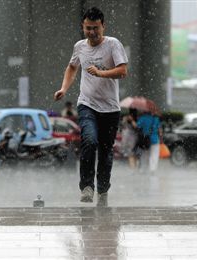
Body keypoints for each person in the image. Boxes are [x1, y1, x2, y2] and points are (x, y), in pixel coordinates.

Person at [53, 7, 128, 206]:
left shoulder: (113, 45)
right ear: (83, 27)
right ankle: (87, 187)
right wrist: (64, 88)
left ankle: (103, 188)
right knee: (89, 140)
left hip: (111, 108)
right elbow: (72, 67)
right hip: (87, 104)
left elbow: (122, 71)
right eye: (88, 28)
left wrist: (101, 73)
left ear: (103, 26)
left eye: (96, 28)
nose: (92, 32)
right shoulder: (79, 46)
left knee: (106, 151)